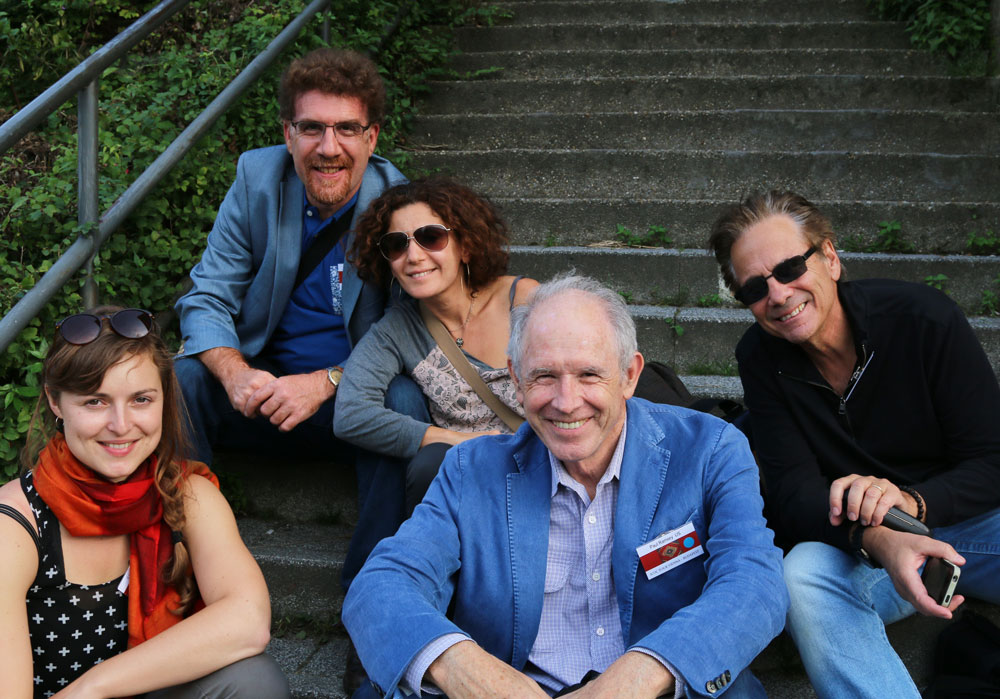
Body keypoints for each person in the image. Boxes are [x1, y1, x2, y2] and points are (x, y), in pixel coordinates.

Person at [343, 274, 787, 699]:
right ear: (516, 380)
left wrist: (641, 674)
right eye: (544, 376)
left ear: (629, 375)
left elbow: (754, 582)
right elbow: (383, 583)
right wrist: (464, 670)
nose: (567, 401)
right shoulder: (470, 470)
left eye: (589, 374)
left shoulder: (710, 449)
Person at [708, 190, 1000, 699]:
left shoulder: (922, 319)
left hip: (973, 523)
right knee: (802, 575)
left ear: (830, 257)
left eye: (790, 268)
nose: (778, 294)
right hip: (873, 544)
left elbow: (992, 460)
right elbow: (794, 493)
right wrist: (879, 537)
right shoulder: (760, 356)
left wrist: (910, 504)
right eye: (754, 287)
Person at [172, 47, 426, 627]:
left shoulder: (399, 204)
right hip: (260, 397)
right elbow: (208, 296)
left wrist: (327, 382)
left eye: (347, 129)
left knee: (405, 399)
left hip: (349, 406)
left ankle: (373, 603)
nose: (328, 147)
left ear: (371, 137)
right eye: (312, 127)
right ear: (288, 134)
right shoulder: (256, 180)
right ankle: (187, 570)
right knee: (183, 378)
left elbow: (413, 328)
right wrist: (235, 373)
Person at [0, 307, 287, 698]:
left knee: (253, 681)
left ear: (164, 398)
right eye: (95, 402)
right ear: (55, 401)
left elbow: (248, 619)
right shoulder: (15, 527)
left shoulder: (187, 493)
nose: (121, 425)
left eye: (140, 399)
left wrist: (92, 688)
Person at [334, 177, 539, 515]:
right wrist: (451, 440)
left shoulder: (522, 299)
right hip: (472, 482)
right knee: (430, 462)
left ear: (465, 247)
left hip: (545, 467)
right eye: (397, 245)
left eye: (431, 237)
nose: (414, 256)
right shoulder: (398, 329)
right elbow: (350, 414)